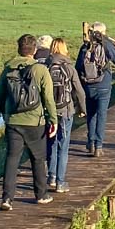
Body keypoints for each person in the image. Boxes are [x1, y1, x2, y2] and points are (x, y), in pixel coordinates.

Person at [0, 34, 58, 210]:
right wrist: (53, 120)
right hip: (35, 121)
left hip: (13, 121)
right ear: (34, 50)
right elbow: (48, 98)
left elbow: (0, 95)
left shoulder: (8, 68)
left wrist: (5, 112)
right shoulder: (40, 69)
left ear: (18, 49)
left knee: (12, 158)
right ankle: (41, 194)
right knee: (38, 158)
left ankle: (7, 199)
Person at [76, 21, 115, 157]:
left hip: (88, 86)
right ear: (103, 33)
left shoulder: (85, 47)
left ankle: (91, 142)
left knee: (91, 114)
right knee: (101, 115)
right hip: (103, 85)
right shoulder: (107, 46)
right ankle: (99, 146)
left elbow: (78, 67)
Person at [44, 37, 85, 193]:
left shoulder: (45, 66)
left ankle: (52, 176)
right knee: (63, 146)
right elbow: (79, 91)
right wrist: (82, 109)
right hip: (66, 110)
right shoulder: (69, 67)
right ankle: (61, 182)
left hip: (49, 112)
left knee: (51, 143)